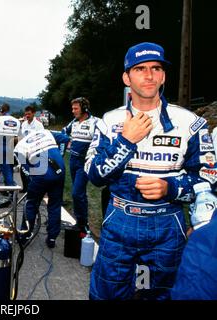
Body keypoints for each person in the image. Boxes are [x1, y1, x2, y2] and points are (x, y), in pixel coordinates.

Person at [84, 42, 216, 300]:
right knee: (106, 294)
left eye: (156, 68)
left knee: (162, 295)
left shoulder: (190, 123)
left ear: (164, 75)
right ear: (126, 77)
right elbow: (95, 176)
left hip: (168, 224)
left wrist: (172, 188)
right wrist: (126, 141)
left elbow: (206, 181)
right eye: (140, 68)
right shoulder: (109, 121)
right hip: (119, 219)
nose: (149, 75)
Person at [15, 129, 69, 248]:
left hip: (41, 173)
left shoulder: (19, 147)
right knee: (55, 204)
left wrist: (34, 185)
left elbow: (26, 171)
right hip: (59, 166)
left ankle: (25, 234)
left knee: (31, 203)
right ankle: (52, 238)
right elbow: (65, 139)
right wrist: (60, 153)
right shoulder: (46, 132)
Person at [61, 97, 98, 232]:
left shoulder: (95, 122)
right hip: (73, 160)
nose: (73, 111)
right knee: (78, 193)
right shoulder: (74, 122)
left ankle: (82, 222)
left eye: (76, 108)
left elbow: (101, 141)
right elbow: (64, 132)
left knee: (77, 193)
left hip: (84, 162)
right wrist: (67, 140)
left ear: (85, 108)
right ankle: (81, 222)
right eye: (72, 108)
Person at [0, 103, 21, 188]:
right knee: (10, 170)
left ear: (1, 110)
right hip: (13, 147)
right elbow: (20, 136)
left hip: (1, 147)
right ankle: (10, 191)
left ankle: (11, 193)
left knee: (7, 172)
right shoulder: (17, 121)